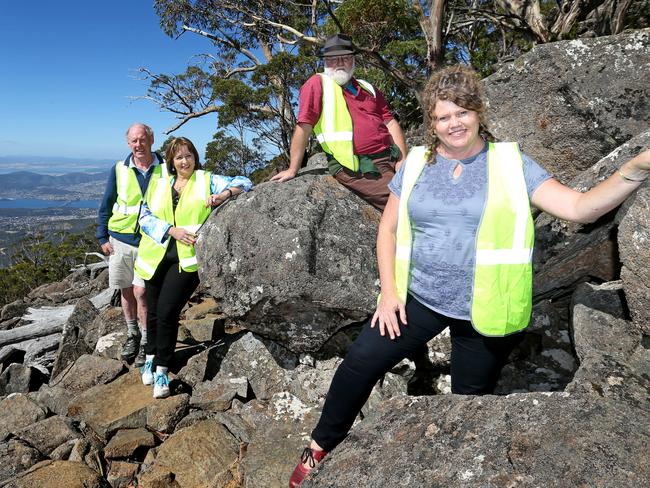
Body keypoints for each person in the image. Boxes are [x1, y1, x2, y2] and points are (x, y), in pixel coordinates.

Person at [288, 65, 650, 486]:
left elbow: (579, 208)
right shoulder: (416, 165)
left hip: (487, 308)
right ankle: (319, 447)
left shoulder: (511, 163)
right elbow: (388, 229)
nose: (453, 123)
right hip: (417, 298)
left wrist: (638, 167)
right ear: (432, 123)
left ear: (479, 112)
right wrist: (389, 291)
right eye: (442, 117)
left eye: (461, 112)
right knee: (358, 364)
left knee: (468, 405)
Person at [135, 137, 252, 399]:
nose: (185, 161)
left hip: (187, 259)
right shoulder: (159, 183)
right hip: (155, 254)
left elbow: (244, 182)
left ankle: (163, 369)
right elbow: (144, 216)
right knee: (153, 312)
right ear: (171, 162)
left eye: (188, 155)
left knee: (167, 312)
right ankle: (151, 358)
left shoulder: (206, 179)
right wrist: (170, 230)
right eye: (179, 157)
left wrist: (224, 194)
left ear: (195, 157)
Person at [270, 33, 408, 211]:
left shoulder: (368, 87)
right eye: (332, 59)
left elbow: (390, 122)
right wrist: (293, 169)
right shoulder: (317, 84)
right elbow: (304, 126)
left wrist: (402, 160)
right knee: (406, 205)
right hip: (357, 166)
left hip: (390, 157)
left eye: (345, 58)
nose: (339, 63)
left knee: (432, 191)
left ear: (353, 60)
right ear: (325, 62)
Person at [97, 123, 166, 367]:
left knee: (142, 292)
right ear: (128, 143)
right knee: (126, 290)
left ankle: (147, 340)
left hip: (150, 243)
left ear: (152, 140)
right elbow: (106, 203)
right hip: (120, 240)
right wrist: (102, 237)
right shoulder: (119, 169)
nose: (139, 144)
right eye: (134, 141)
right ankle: (132, 334)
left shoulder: (166, 169)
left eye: (143, 139)